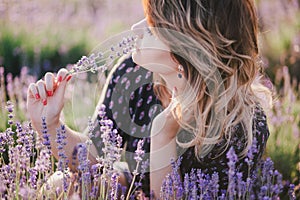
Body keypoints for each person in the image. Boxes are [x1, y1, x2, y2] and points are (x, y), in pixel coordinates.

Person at [27, 0, 273, 198]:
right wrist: (50, 126)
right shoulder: (133, 75)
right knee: (62, 185)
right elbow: (94, 156)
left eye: (153, 25)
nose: (135, 28)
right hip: (134, 185)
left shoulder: (242, 124)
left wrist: (163, 133)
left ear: (188, 46)